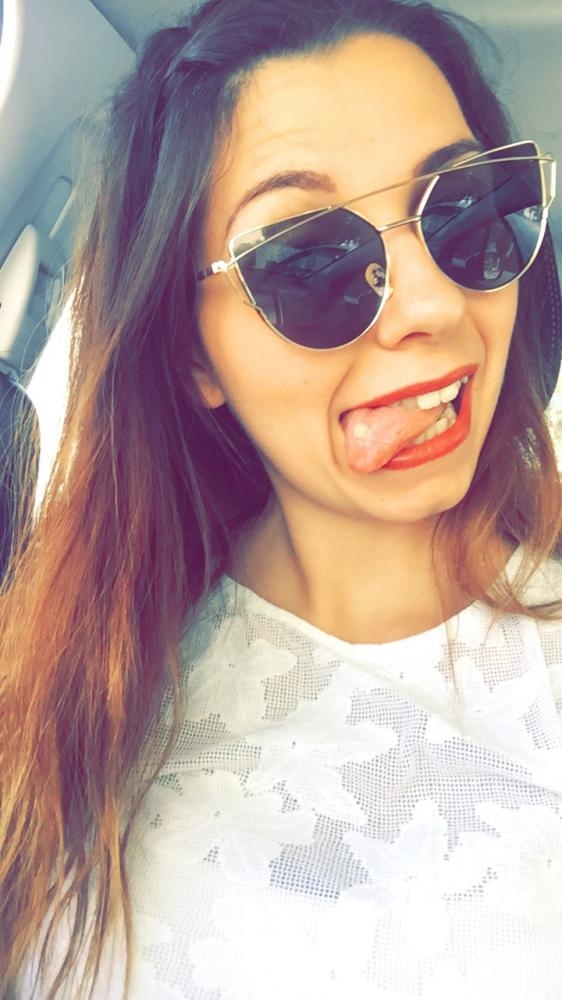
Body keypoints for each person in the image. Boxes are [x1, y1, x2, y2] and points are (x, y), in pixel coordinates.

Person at [2, 0, 562, 996]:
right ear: (190, 350)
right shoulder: (65, 717)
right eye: (308, 258)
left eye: (468, 209)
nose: (435, 305)